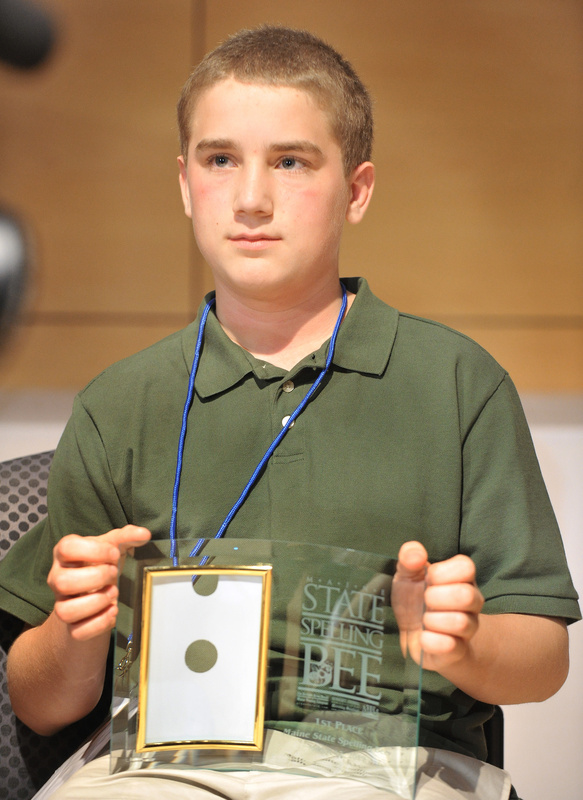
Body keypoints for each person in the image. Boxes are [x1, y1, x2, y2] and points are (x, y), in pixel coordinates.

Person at [0, 25, 579, 800]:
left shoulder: (457, 384)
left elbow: (542, 659)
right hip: (162, 769)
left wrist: (463, 641)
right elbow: (39, 706)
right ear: (183, 184)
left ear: (357, 189)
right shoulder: (120, 403)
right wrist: (76, 632)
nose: (250, 198)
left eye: (290, 162)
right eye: (219, 160)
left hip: (390, 770)